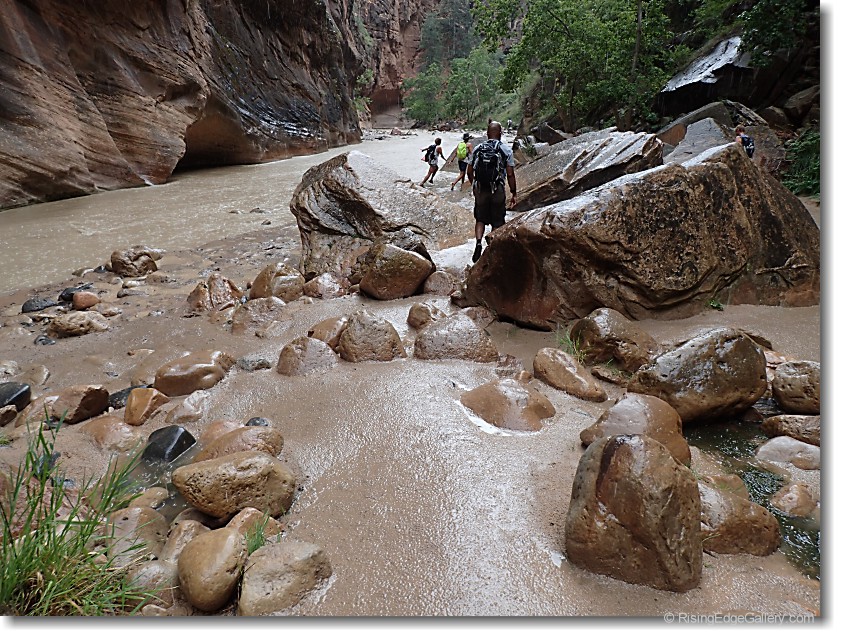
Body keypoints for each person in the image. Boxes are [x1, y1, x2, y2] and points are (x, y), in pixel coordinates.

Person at [465, 121, 517, 263]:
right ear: (500, 133)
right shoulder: (506, 150)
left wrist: (474, 185)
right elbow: (510, 174)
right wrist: (514, 192)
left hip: (481, 189)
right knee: (497, 220)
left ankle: (478, 242)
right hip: (497, 189)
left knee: (480, 219)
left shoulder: (478, 148)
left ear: (487, 134)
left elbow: (469, 171)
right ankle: (492, 248)